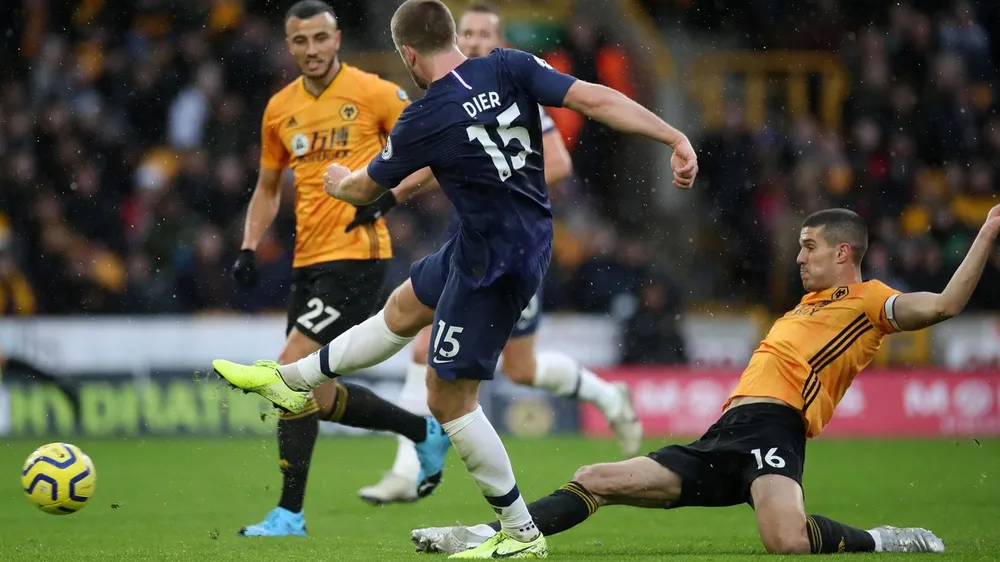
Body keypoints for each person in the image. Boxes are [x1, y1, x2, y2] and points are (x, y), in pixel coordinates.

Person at [212, 0, 696, 557]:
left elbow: (365, 189)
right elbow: (592, 97)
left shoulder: (426, 115)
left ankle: (520, 534)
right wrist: (673, 137)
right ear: (452, 35)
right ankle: (292, 379)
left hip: (495, 263)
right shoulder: (509, 66)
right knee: (402, 307)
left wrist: (342, 179)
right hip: (498, 240)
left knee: (449, 399)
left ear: (409, 54)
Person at [409, 206, 1000, 556]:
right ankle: (479, 534)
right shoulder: (801, 307)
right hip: (726, 432)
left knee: (785, 540)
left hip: (775, 426)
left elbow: (945, 304)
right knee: (595, 477)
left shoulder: (872, 301)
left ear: (844, 251)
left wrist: (988, 231)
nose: (798, 257)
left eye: (809, 247)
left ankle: (885, 540)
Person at [356, 1, 643, 507]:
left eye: (487, 33)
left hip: (513, 245)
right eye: (468, 32)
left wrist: (506, 186)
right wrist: (394, 194)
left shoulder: (514, 90)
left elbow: (556, 161)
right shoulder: (455, 97)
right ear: (454, 38)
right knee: (437, 352)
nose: (477, 41)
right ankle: (409, 468)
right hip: (474, 239)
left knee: (515, 369)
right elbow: (440, 155)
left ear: (501, 37)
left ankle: (602, 396)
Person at [227, 0, 450, 538]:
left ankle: (289, 514)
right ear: (289, 46)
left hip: (357, 257)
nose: (312, 50)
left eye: (320, 39)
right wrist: (249, 246)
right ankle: (421, 431)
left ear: (337, 37)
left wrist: (388, 198)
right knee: (315, 396)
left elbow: (438, 153)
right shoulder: (279, 108)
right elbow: (266, 187)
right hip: (308, 262)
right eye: (300, 41)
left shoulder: (373, 92)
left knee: (288, 370)